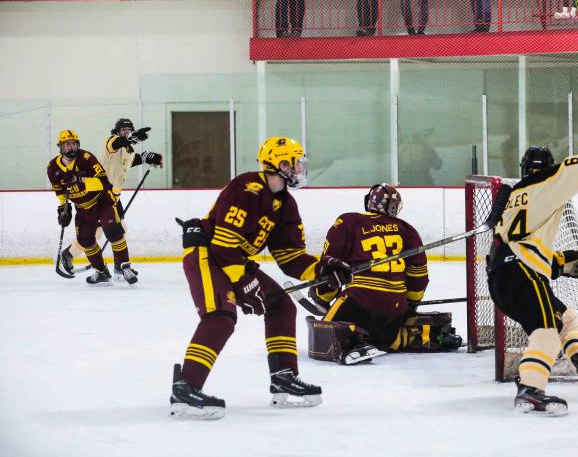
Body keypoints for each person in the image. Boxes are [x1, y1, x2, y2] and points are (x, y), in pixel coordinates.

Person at [170, 137, 353, 419]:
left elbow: (290, 256)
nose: (298, 170)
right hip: (207, 255)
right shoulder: (248, 188)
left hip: (234, 260)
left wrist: (323, 270)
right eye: (293, 164)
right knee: (220, 317)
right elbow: (223, 244)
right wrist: (245, 283)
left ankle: (284, 377)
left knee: (281, 304)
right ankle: (186, 387)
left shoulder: (286, 204)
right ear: (277, 163)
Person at [486, 105, 578, 416]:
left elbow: (519, 246)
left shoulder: (511, 198)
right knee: (546, 330)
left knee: (566, 319)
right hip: (522, 273)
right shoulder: (549, 183)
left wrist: (559, 263)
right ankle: (531, 390)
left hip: (504, 276)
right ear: (548, 167)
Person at [305, 184, 462, 366]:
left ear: (369, 202)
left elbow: (330, 265)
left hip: (359, 300)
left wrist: (322, 296)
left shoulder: (348, 221)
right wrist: (410, 305)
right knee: (387, 338)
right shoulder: (407, 229)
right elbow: (419, 276)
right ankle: (417, 336)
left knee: (322, 337)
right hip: (395, 305)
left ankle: (355, 340)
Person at [58, 119, 162, 280]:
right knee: (101, 233)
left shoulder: (128, 150)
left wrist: (148, 157)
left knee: (116, 231)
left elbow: (130, 161)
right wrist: (131, 137)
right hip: (100, 196)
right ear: (117, 131)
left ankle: (116, 266)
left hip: (113, 197)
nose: (126, 132)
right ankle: (70, 254)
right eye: (123, 129)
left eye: (130, 129)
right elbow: (117, 143)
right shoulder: (111, 142)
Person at [47, 130, 137, 285]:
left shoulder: (86, 158)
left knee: (113, 230)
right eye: (67, 144)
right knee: (86, 241)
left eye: (74, 143)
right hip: (82, 208)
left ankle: (125, 267)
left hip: (102, 202)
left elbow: (103, 183)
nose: (71, 147)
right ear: (60, 147)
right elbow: (60, 192)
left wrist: (79, 179)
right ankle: (101, 272)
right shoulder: (52, 167)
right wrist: (63, 209)